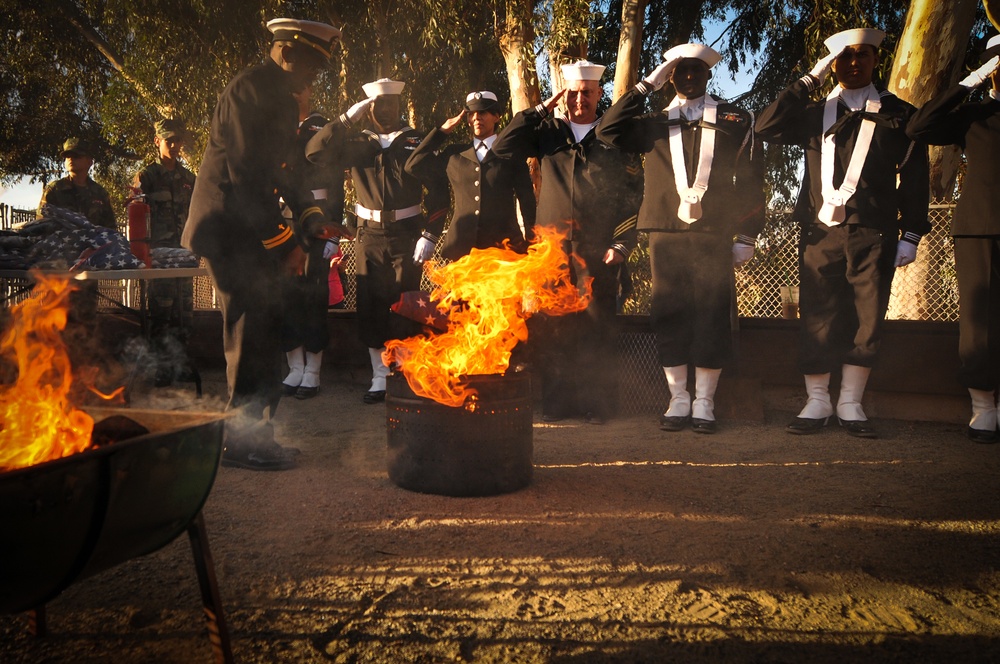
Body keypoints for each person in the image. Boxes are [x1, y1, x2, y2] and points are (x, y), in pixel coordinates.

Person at [182, 17, 343, 471]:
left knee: (266, 327)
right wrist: (286, 243)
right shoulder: (250, 90)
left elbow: (286, 170)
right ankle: (244, 441)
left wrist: (312, 219)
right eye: (312, 64)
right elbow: (248, 178)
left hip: (249, 230)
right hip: (230, 230)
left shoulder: (280, 96)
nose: (315, 76)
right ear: (287, 52)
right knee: (252, 331)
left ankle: (255, 436)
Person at [755, 27, 930, 438]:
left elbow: (916, 179)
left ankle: (850, 402)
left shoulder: (899, 113)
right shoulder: (815, 113)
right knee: (817, 313)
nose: (853, 63)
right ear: (832, 63)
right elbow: (764, 126)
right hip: (821, 234)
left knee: (867, 318)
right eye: (844, 57)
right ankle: (817, 401)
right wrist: (810, 80)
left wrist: (912, 234)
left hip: (875, 232)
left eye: (862, 55)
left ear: (875, 60)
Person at [598, 43, 765, 434]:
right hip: (666, 231)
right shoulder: (653, 122)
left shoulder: (735, 118)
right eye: (679, 71)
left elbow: (753, 180)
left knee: (711, 315)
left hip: (713, 230)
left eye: (696, 70)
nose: (688, 77)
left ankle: (704, 402)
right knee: (669, 313)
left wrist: (748, 233)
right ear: (670, 76)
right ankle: (678, 399)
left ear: (708, 74)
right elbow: (607, 130)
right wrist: (645, 86)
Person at [491, 60, 643, 425]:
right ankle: (559, 402)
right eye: (572, 93)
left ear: (598, 94)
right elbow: (502, 146)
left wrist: (623, 242)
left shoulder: (613, 136)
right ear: (564, 95)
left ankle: (598, 405)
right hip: (552, 251)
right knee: (554, 328)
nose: (579, 100)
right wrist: (540, 108)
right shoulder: (548, 133)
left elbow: (634, 194)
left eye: (586, 93)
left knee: (596, 327)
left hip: (598, 249)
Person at [306, 78, 449, 404]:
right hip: (368, 236)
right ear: (368, 108)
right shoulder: (357, 142)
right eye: (378, 104)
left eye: (391, 103)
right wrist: (345, 119)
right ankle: (380, 376)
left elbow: (440, 189)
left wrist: (430, 233)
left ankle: (403, 373)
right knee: (370, 305)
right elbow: (314, 152)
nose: (385, 109)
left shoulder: (414, 140)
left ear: (399, 105)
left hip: (407, 235)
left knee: (406, 305)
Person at [906, 35, 1000, 443]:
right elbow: (919, 126)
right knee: (978, 324)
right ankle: (983, 407)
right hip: (980, 227)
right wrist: (973, 80)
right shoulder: (975, 115)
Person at [404, 90, 536, 260]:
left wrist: (532, 243)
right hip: (461, 251)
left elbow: (527, 202)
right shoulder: (454, 155)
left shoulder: (511, 154)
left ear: (497, 116)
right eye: (471, 114)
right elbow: (413, 165)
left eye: (482, 112)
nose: (476, 118)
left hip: (505, 251)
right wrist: (442, 132)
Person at [280, 82, 345, 400]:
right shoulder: (276, 127)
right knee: (286, 299)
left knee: (313, 300)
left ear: (308, 92)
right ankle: (294, 367)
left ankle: (313, 371)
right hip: (281, 224)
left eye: (299, 90)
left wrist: (334, 230)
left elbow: (336, 182)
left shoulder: (320, 126)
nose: (295, 94)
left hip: (317, 222)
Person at [132, 118, 196, 386]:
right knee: (161, 310)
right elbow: (135, 215)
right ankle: (160, 367)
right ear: (156, 141)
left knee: (184, 309)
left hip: (184, 254)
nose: (174, 144)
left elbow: (198, 213)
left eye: (177, 140)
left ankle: (180, 364)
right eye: (168, 139)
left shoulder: (189, 178)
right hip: (158, 256)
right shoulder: (146, 177)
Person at [37, 137, 116, 229]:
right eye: (67, 156)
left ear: (89, 162)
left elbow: (110, 228)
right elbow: (41, 223)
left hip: (93, 242)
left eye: (76, 156)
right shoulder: (54, 189)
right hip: (61, 241)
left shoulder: (100, 193)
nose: (71, 159)